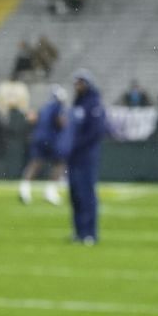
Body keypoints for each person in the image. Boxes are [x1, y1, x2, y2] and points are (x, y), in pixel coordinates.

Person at [65, 70, 106, 244]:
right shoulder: (77, 103)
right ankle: (79, 231)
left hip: (86, 156)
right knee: (75, 194)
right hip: (73, 156)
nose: (78, 86)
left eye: (80, 82)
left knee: (86, 193)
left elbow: (96, 131)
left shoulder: (93, 103)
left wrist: (76, 144)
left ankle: (90, 233)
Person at [18, 85, 67, 204]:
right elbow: (60, 121)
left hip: (38, 138)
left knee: (35, 163)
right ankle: (50, 191)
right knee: (60, 163)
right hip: (50, 139)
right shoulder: (57, 106)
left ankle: (24, 189)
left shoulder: (45, 107)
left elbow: (33, 119)